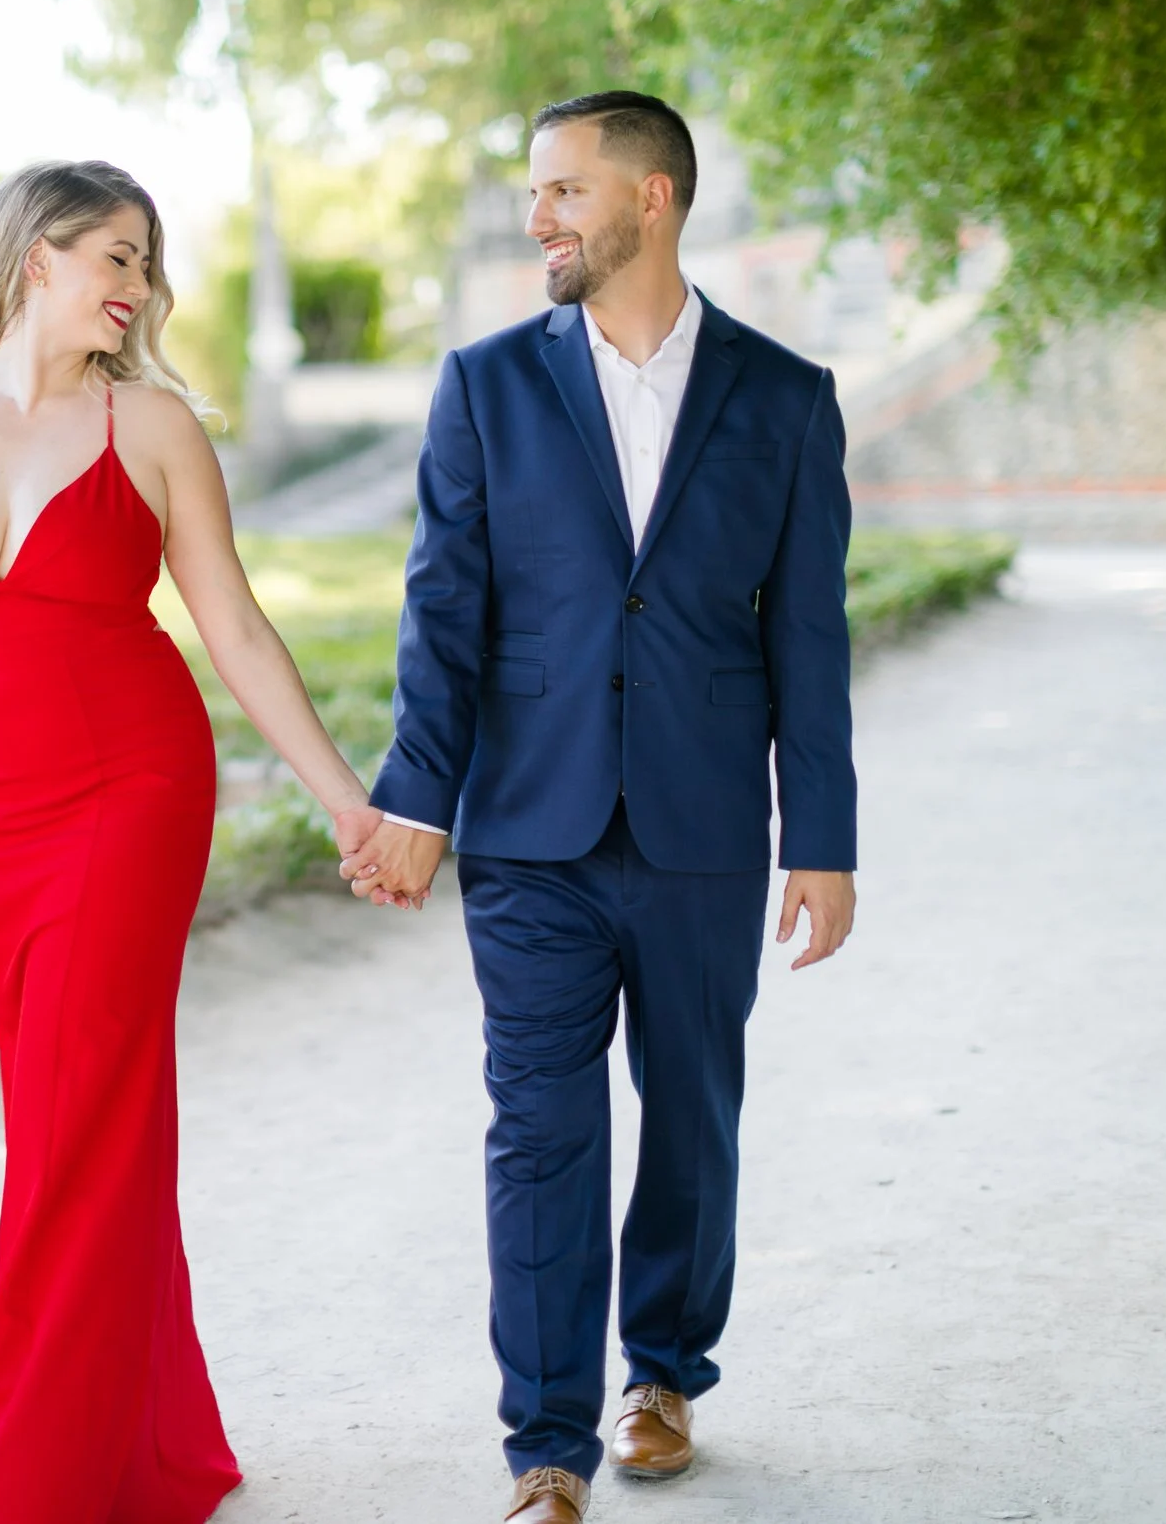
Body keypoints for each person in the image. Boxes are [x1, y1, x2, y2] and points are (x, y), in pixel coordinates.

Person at [0, 160, 382, 1523]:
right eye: (115, 257)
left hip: (131, 787)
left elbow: (232, 626)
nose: (138, 287)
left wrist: (342, 797)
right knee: (83, 1119)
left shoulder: (158, 426)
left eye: (144, 265)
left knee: (75, 1124)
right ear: (32, 258)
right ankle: (155, 1433)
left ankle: (31, 1476)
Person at [338, 92, 859, 1524]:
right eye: (537, 192)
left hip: (701, 824)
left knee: (691, 1107)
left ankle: (664, 1373)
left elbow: (808, 634)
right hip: (528, 831)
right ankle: (547, 1443)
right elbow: (443, 616)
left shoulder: (784, 398)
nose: (540, 217)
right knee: (540, 1127)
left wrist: (823, 836)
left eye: (566, 190)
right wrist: (416, 804)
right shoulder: (486, 385)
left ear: (655, 198)